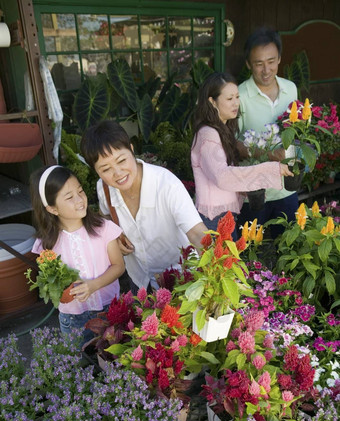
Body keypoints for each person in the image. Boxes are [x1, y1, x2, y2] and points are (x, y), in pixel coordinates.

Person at [80, 120, 207, 292]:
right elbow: (106, 219)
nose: (118, 173)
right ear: (96, 171)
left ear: (132, 150)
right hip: (140, 279)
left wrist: (219, 265)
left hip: (183, 280)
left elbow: (197, 232)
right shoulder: (104, 188)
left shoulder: (166, 185)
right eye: (105, 169)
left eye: (121, 160)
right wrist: (115, 238)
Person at [30, 165, 125, 347]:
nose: (80, 199)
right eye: (69, 197)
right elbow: (51, 281)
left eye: (80, 191)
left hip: (109, 309)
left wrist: (93, 285)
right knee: (79, 364)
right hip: (73, 319)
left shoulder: (102, 228)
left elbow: (119, 266)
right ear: (52, 209)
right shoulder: (47, 244)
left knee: (114, 358)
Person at [191, 71, 293, 235]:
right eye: (229, 99)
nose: (236, 103)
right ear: (212, 102)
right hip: (214, 220)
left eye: (237, 97)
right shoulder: (208, 134)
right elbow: (222, 176)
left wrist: (245, 187)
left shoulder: (222, 128)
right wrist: (272, 168)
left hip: (224, 216)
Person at [237, 27, 299, 238]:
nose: (266, 70)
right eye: (259, 63)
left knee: (289, 249)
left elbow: (296, 129)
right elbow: (232, 144)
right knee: (251, 256)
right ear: (248, 64)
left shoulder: (291, 89)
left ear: (280, 59)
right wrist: (269, 156)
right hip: (254, 193)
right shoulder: (238, 95)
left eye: (271, 61)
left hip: (287, 187)